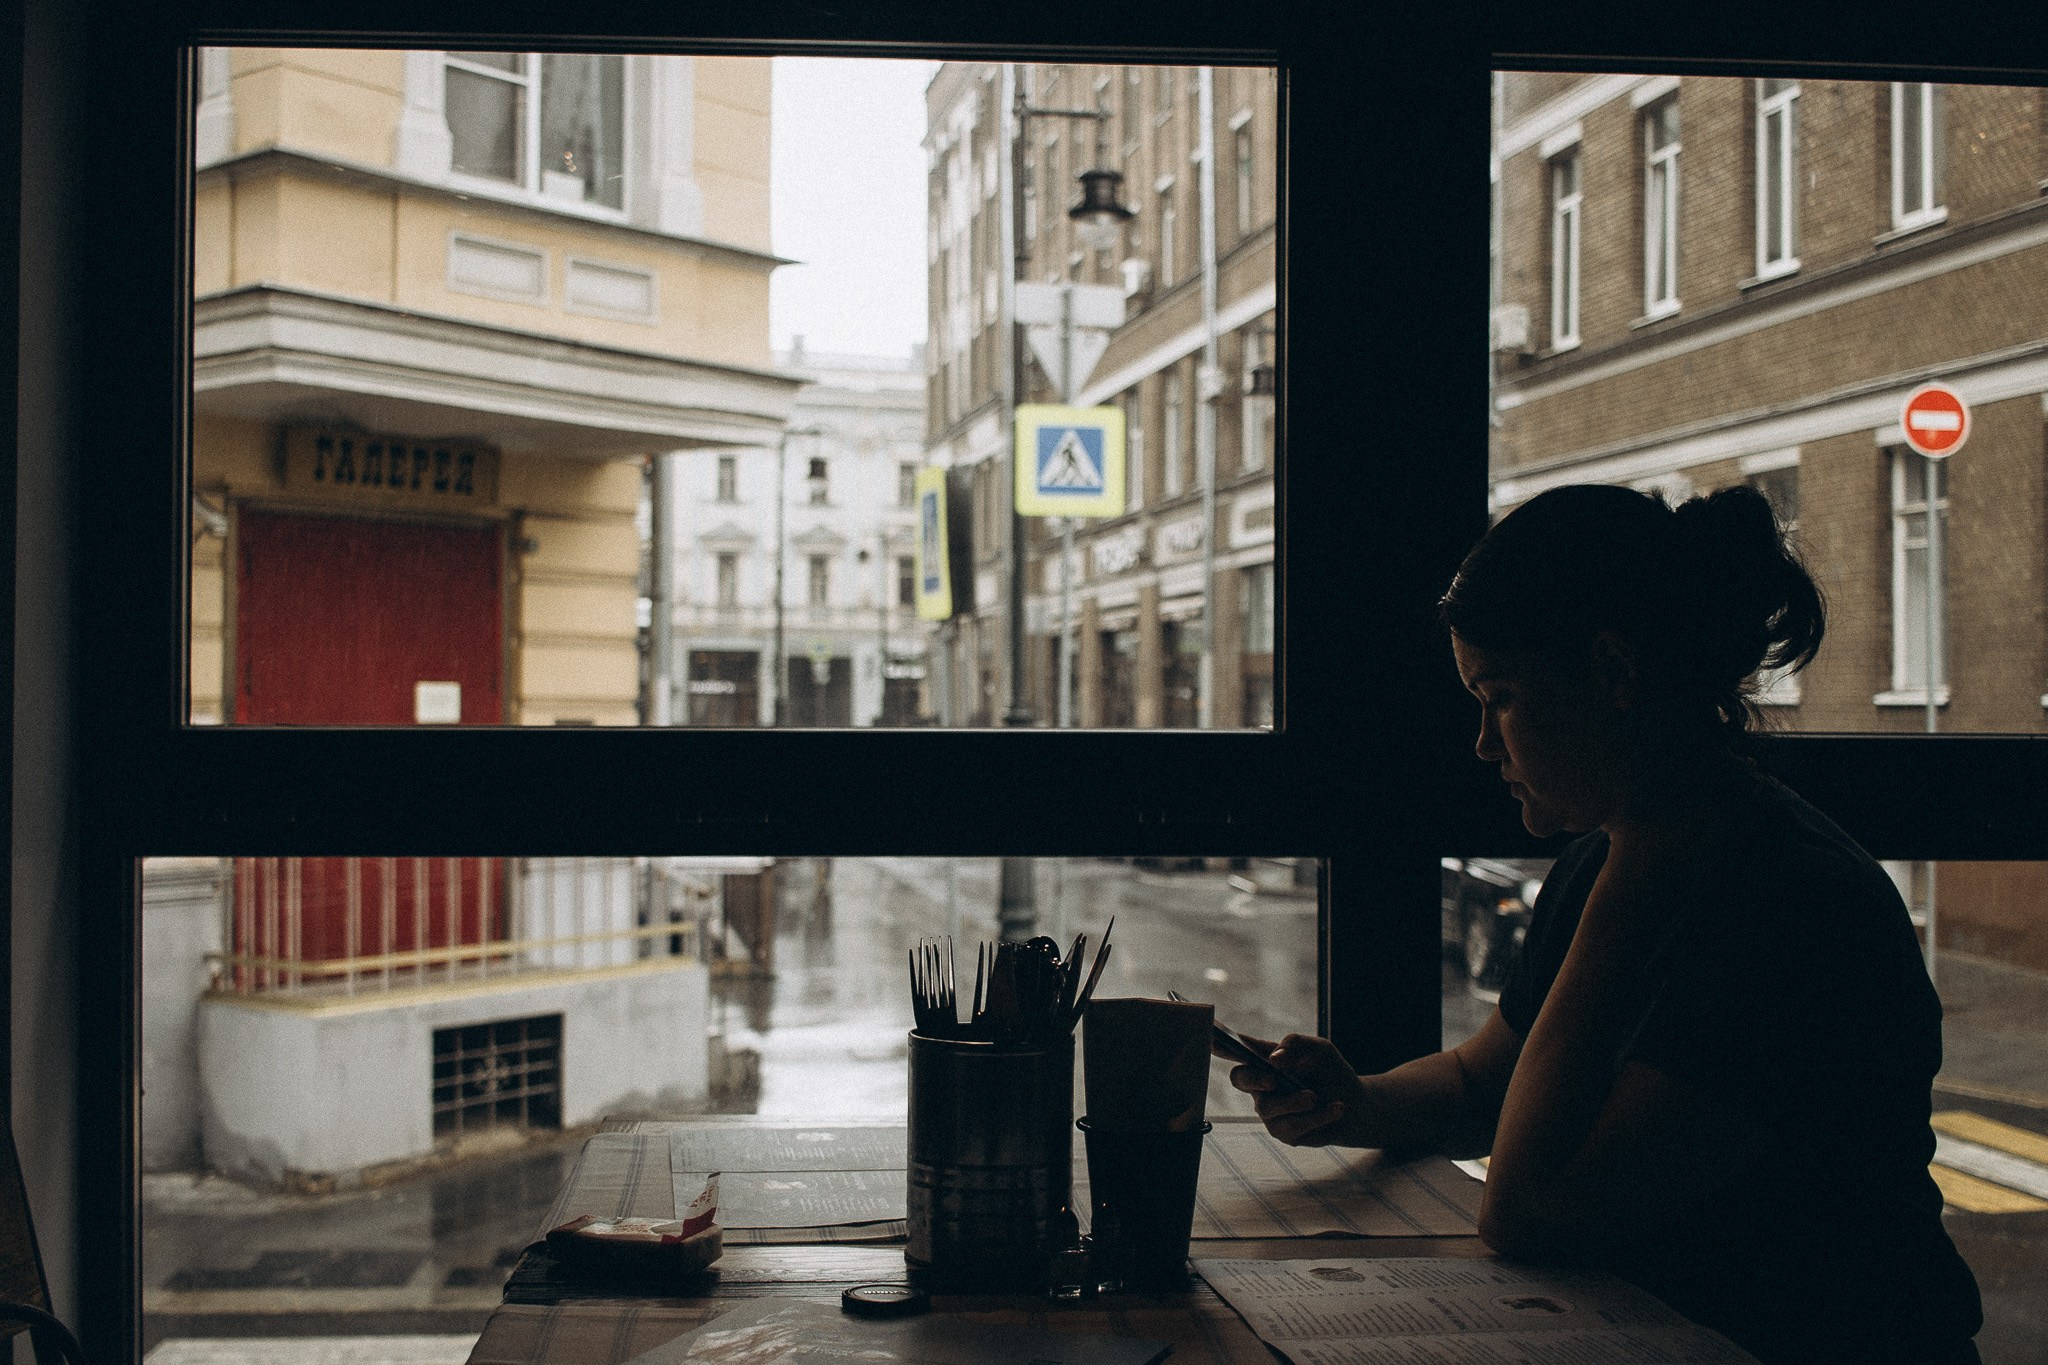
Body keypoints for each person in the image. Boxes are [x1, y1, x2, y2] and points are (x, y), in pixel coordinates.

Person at [1228, 483, 1982, 1365]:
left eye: (1500, 695)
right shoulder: (1614, 851)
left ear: (1615, 674)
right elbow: (1483, 1085)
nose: (1482, 743)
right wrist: (1358, 1100)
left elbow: (1533, 1207)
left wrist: (1634, 875)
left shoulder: (1788, 907)